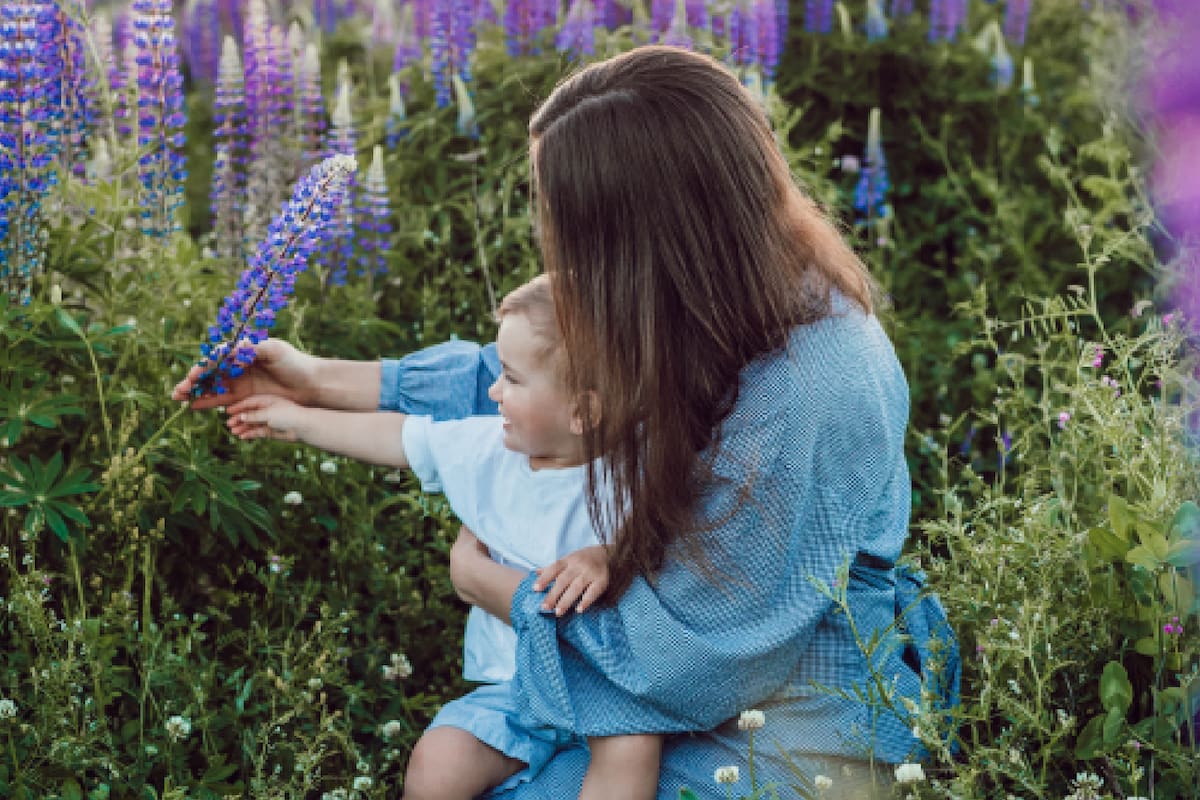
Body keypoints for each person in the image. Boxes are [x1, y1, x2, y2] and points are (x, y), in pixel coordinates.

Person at [175, 45, 959, 799]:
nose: (552, 243)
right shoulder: (729, 293)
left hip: (790, 711)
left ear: (650, 239)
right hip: (687, 662)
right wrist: (317, 380)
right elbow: (545, 383)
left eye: (570, 226)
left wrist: (495, 588)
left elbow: (689, 662)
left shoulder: (808, 389)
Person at [204, 276, 662, 800]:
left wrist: (607, 556)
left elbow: (675, 537)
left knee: (632, 747)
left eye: (511, 379)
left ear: (583, 412)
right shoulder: (488, 447)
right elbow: (396, 437)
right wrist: (294, 420)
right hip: (514, 689)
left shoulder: (637, 470)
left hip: (608, 686)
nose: (493, 391)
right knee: (438, 762)